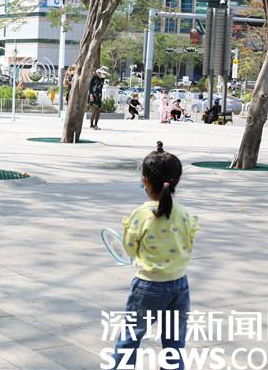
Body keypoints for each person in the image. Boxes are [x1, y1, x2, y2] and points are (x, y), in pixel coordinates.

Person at [111, 141, 199, 370]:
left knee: (130, 338)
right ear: (177, 181)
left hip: (148, 286)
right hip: (180, 285)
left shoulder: (140, 214)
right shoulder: (186, 214)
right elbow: (188, 246)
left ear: (145, 181)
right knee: (174, 343)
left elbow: (129, 250)